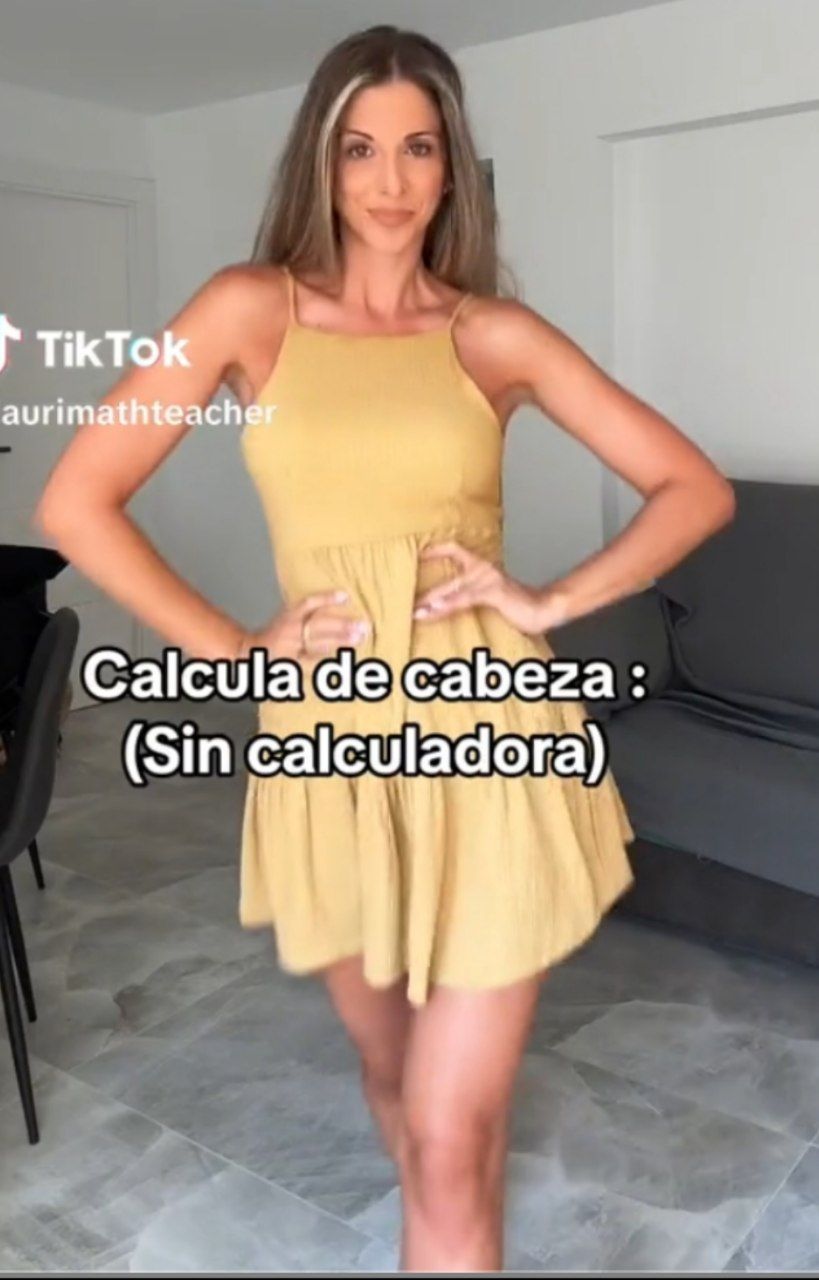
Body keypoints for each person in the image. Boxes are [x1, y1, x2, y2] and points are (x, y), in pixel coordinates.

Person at [34, 24, 735, 1273]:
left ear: (453, 165)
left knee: (455, 1139)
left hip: (490, 738)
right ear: (321, 159)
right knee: (397, 1078)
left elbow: (694, 486)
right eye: (360, 148)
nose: (391, 179)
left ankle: (448, 1205)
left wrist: (551, 600)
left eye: (418, 147)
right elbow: (77, 501)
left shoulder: (492, 334)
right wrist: (239, 649)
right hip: (329, 750)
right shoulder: (247, 309)